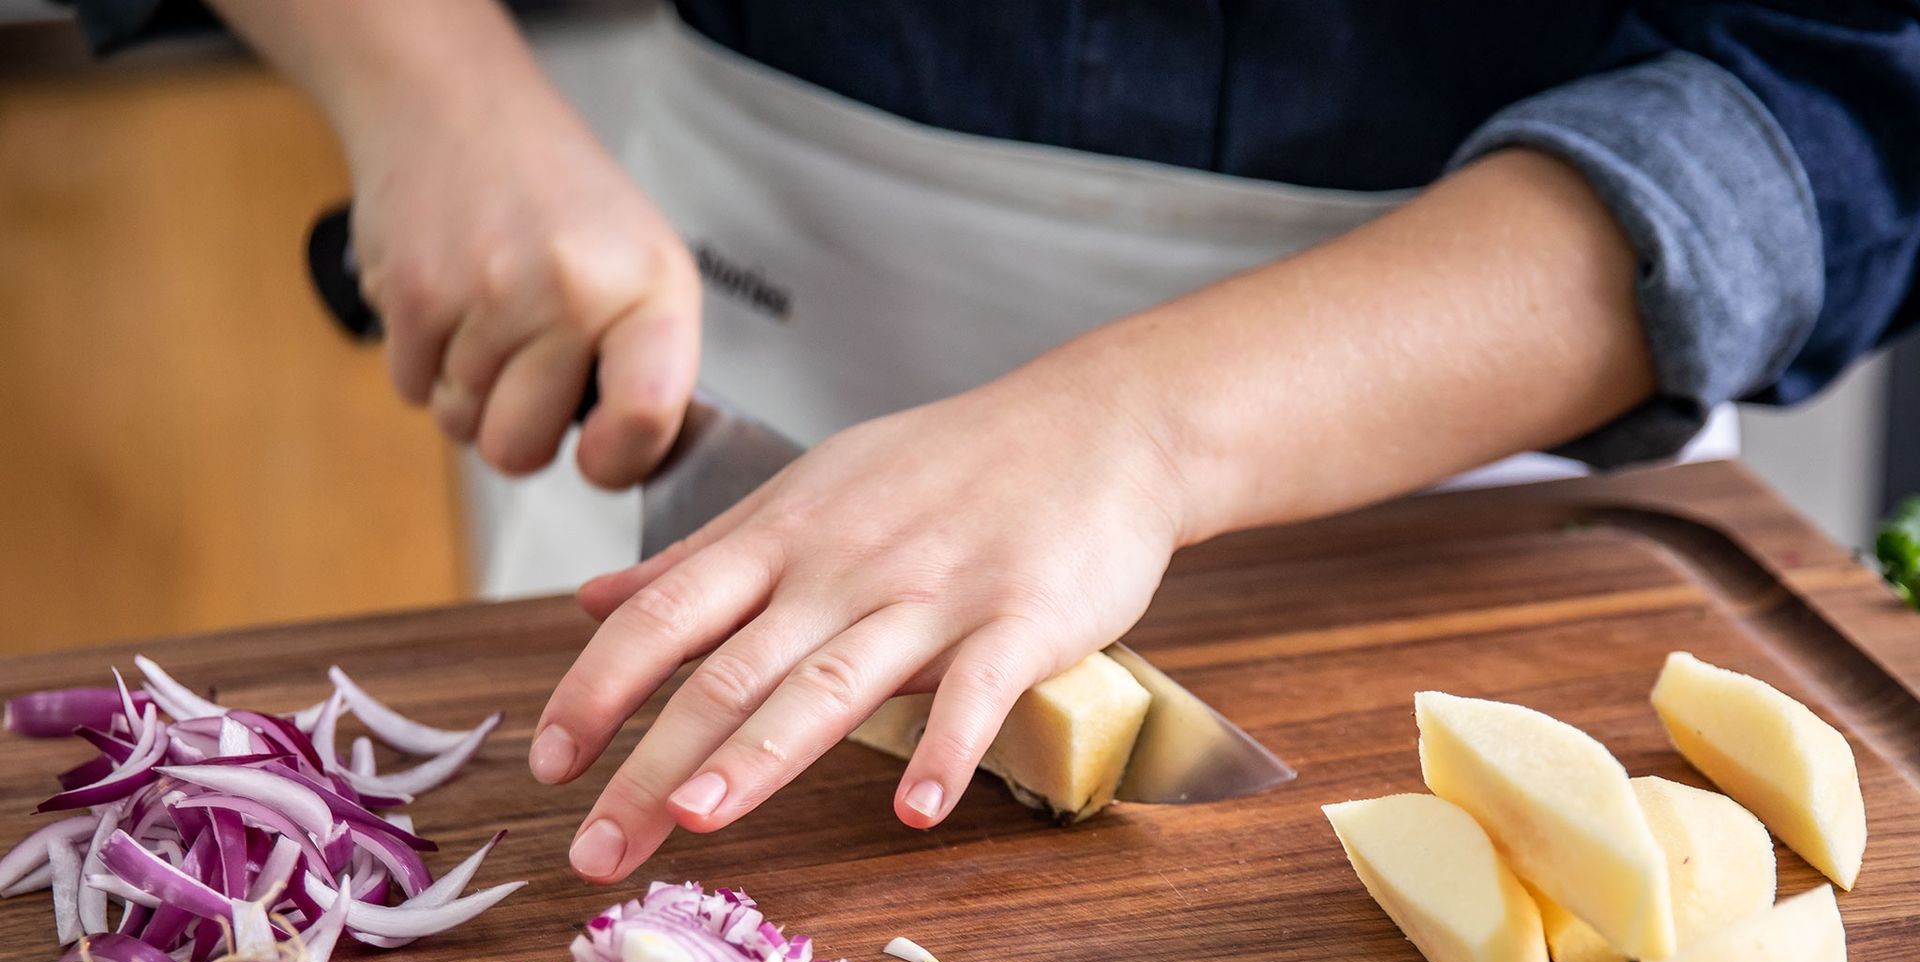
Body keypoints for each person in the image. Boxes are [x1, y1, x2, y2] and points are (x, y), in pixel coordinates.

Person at [66, 0, 1920, 883]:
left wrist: (1141, 425)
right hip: (754, 270)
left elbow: (1840, 90)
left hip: (1465, 413)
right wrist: (430, 91)